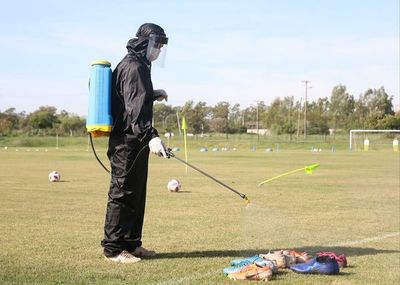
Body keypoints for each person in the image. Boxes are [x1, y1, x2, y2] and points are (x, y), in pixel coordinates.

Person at [101, 23, 169, 263]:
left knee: (136, 194)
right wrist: (151, 135)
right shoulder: (133, 66)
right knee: (121, 194)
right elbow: (134, 111)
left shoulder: (139, 65)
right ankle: (113, 249)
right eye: (157, 45)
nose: (159, 50)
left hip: (135, 142)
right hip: (125, 143)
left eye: (161, 46)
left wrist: (152, 93)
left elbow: (134, 97)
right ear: (146, 42)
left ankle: (131, 244)